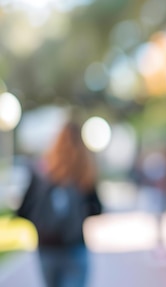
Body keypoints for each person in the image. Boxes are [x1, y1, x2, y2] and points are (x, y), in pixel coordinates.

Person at [17, 121, 103, 287]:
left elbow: (23, 210)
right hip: (74, 245)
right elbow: (97, 208)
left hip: (47, 247)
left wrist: (44, 222)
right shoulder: (83, 171)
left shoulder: (42, 170)